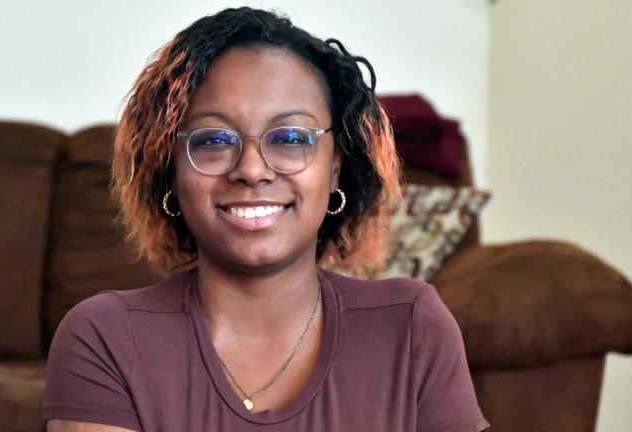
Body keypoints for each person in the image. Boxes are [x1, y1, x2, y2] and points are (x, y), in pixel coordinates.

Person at [43, 7, 489, 432]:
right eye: (214, 139)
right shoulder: (105, 337)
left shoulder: (411, 326)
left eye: (291, 138)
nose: (252, 169)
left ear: (335, 167)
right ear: (172, 171)